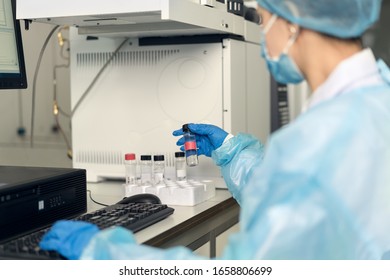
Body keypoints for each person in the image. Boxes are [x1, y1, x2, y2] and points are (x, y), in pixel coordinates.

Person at [39, 0, 390, 260]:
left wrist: (103, 256)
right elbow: (314, 200)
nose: (263, 39)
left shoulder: (319, 141)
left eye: (263, 21)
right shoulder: (375, 101)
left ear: (292, 21)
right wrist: (235, 153)